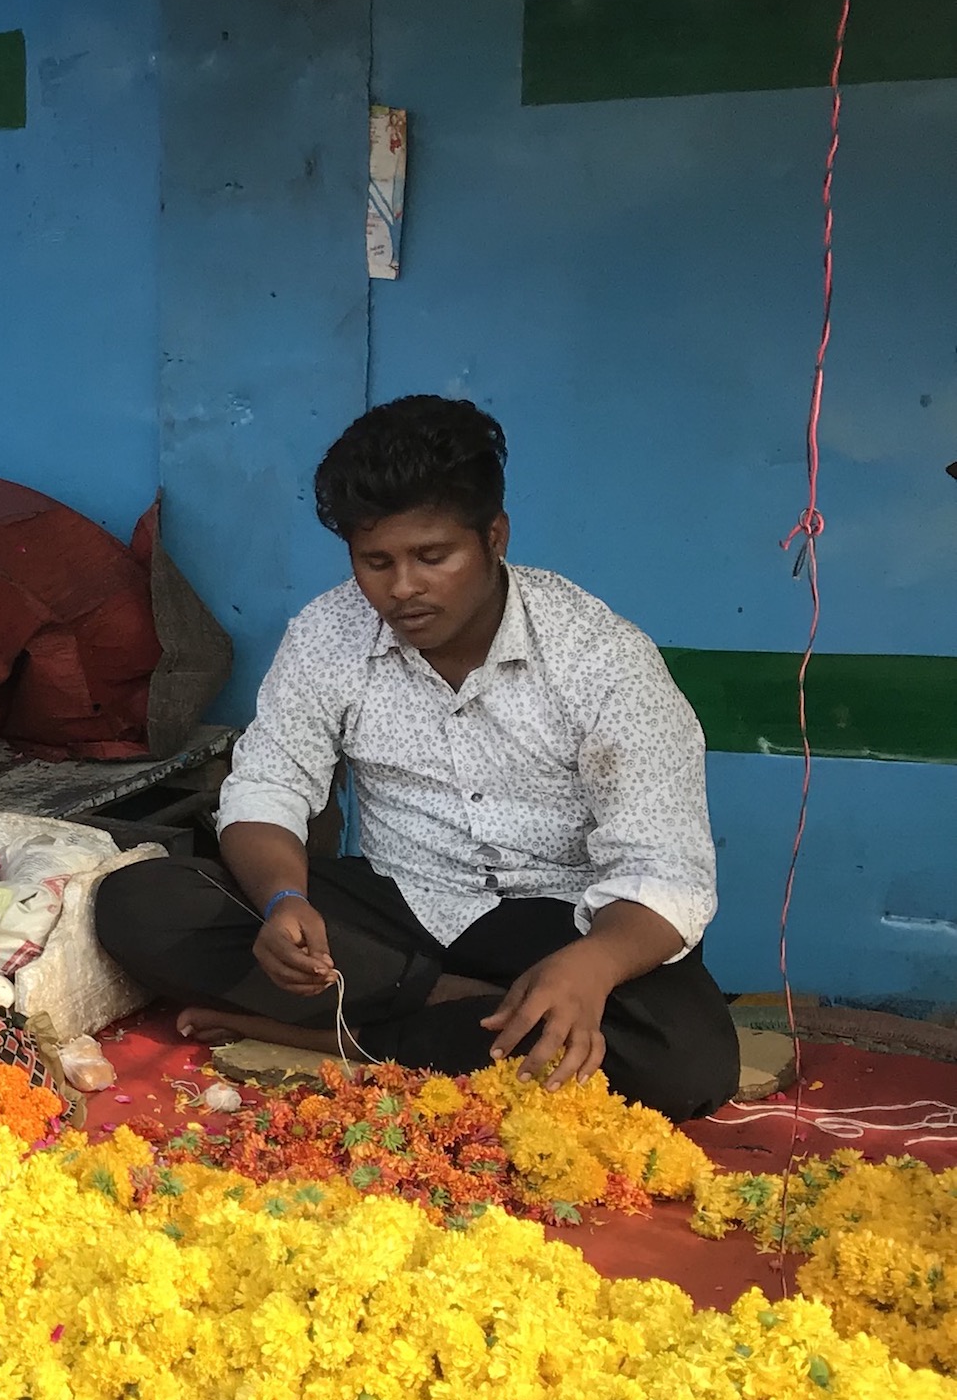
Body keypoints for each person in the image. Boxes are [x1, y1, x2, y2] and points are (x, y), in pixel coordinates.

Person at [93, 396, 739, 1118]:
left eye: (432, 557)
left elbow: (667, 870)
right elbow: (267, 787)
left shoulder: (600, 659)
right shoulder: (326, 635)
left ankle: (347, 1030)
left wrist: (589, 968)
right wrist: (283, 899)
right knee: (139, 902)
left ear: (493, 535)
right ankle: (468, 1014)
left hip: (564, 919)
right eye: (375, 561)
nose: (401, 587)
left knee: (686, 1064)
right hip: (400, 909)